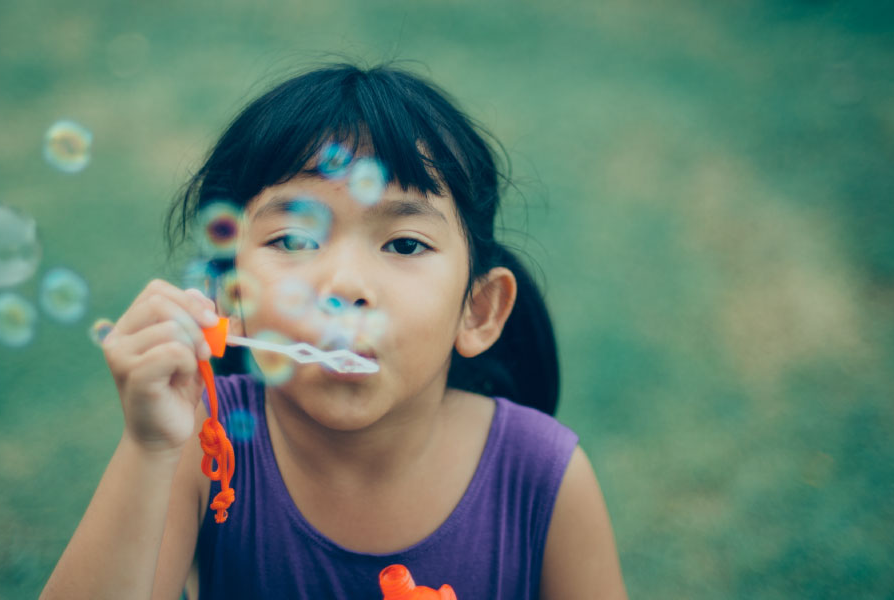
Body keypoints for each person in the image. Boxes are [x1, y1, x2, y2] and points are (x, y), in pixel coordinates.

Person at [40, 63, 627, 600]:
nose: (344, 284)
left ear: (478, 311)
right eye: (295, 239)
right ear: (231, 297)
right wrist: (148, 449)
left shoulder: (544, 479)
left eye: (405, 244)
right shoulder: (203, 447)